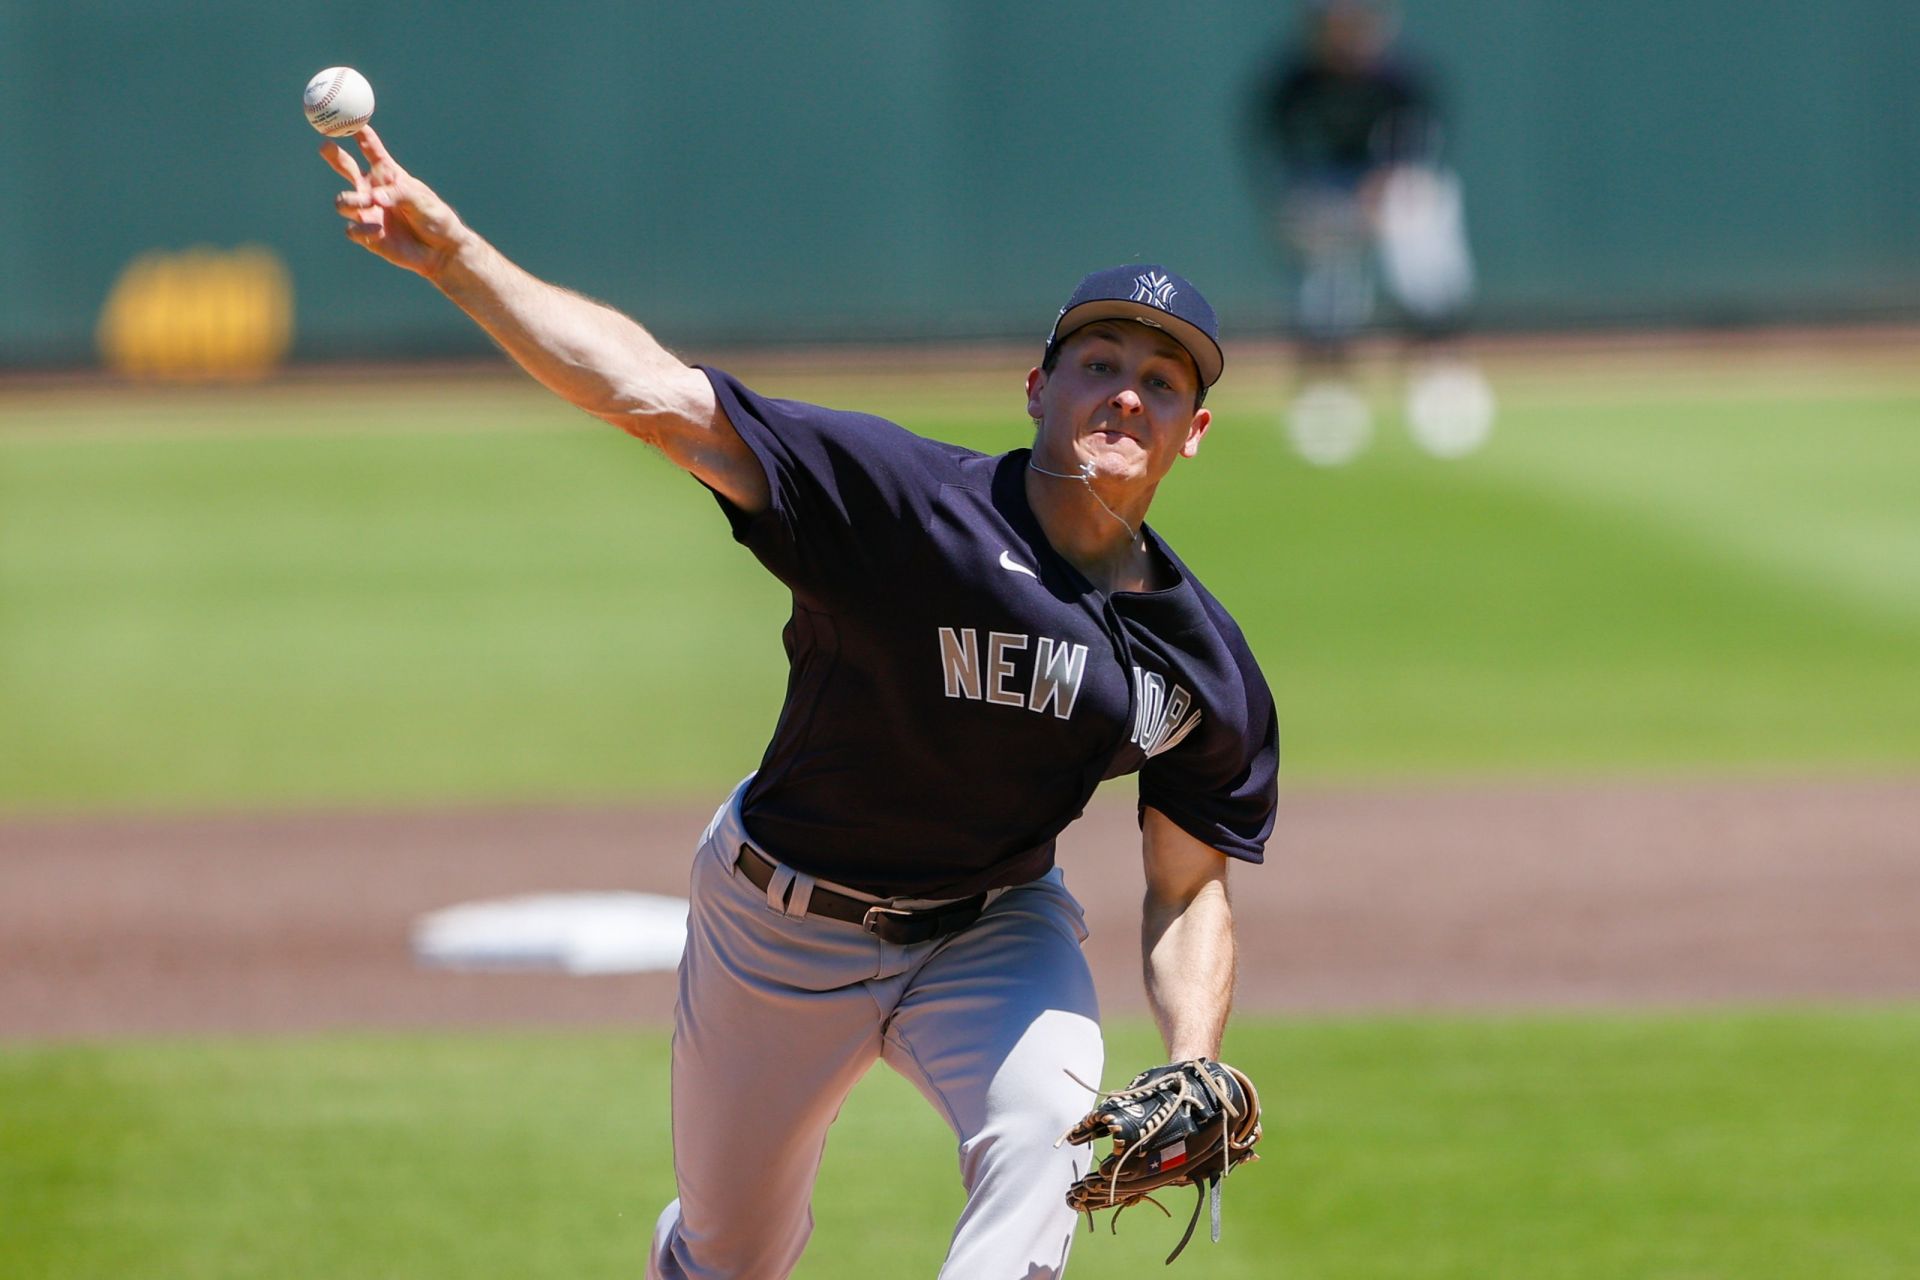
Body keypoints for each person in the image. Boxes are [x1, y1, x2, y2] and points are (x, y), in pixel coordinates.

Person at [320, 126, 1277, 1279]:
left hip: (992, 931)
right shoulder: (905, 505)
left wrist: (1193, 1051)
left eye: (1161, 380)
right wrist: (458, 257)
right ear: (1038, 387)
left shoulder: (1200, 664)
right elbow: (657, 398)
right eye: (1100, 361)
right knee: (731, 1253)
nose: (1127, 392)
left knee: (1046, 1155)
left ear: (1194, 429)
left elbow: (1186, 887)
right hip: (777, 925)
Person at [1252, 0, 1494, 463]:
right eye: (1335, 24)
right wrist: (1309, 207)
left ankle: (1441, 368)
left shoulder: (1401, 77)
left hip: (1390, 185)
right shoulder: (1294, 81)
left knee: (1420, 241)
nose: (1346, 34)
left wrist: (1381, 191)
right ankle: (1328, 388)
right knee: (1328, 276)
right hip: (1328, 191)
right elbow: (1282, 158)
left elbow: (1421, 151)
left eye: (1355, 23)